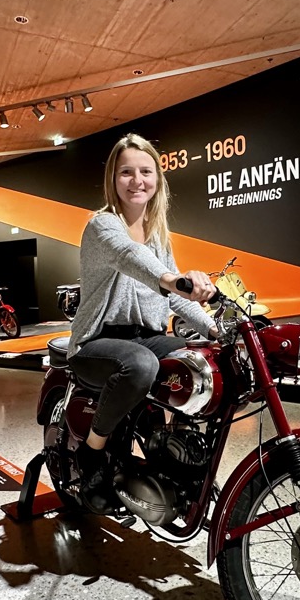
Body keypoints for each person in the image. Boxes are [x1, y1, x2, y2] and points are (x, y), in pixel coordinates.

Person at [67, 133, 217, 500]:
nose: (137, 181)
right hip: (97, 341)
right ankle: (92, 451)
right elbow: (129, 257)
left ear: (157, 179)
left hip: (145, 337)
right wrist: (172, 279)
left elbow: (178, 299)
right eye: (126, 172)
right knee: (140, 364)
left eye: (146, 172)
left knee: (199, 359)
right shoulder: (103, 225)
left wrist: (215, 329)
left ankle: (173, 447)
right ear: (113, 179)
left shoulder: (158, 237)